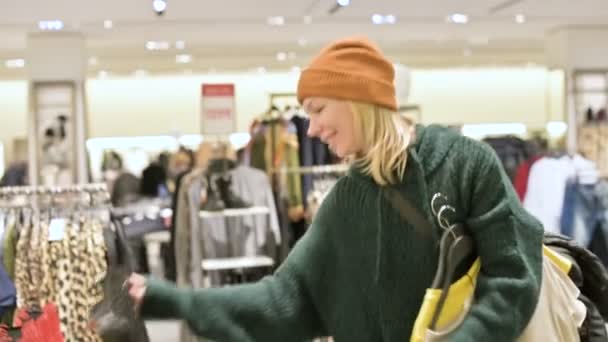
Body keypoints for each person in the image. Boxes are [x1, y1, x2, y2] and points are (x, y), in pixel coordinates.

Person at [126, 36, 544, 341]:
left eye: (319, 109)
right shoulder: (344, 204)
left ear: (360, 101)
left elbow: (513, 275)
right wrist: (171, 300)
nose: (313, 128)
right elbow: (283, 297)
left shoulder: (465, 163)